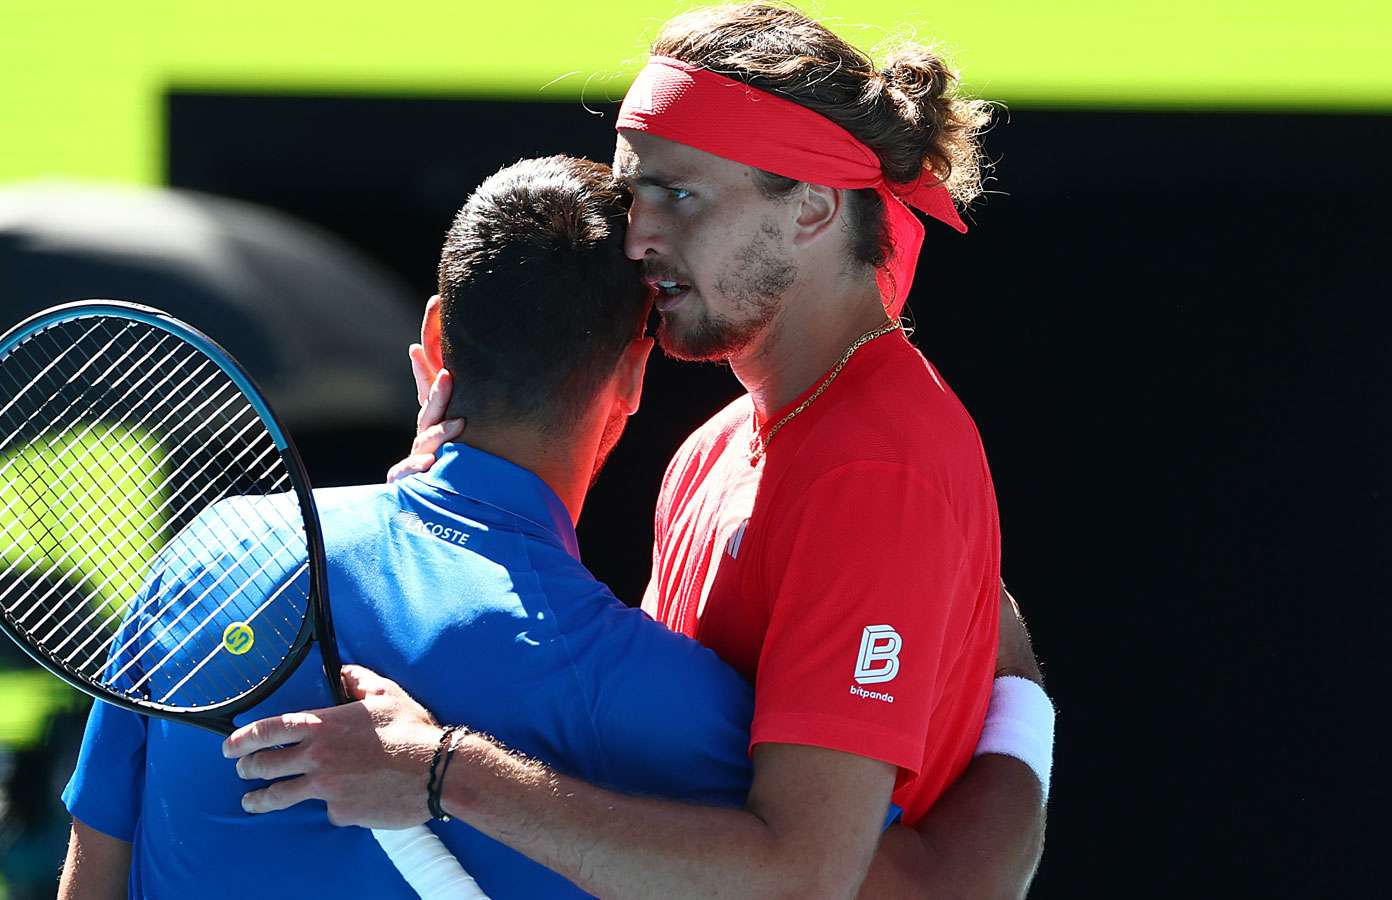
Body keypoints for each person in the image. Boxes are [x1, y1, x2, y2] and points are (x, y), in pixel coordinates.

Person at [228, 4, 1053, 899]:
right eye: (633, 194)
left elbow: (803, 879)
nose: (637, 236)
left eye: (679, 194)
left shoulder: (876, 465)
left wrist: (440, 773)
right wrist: (443, 543)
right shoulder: (715, 449)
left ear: (813, 209)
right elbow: (646, 753)